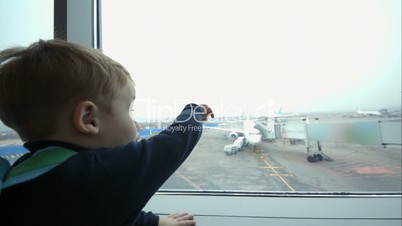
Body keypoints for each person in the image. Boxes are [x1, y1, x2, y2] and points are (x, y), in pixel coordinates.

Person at [0, 39, 214, 226]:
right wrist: (195, 111)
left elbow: (99, 211)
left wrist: (157, 221)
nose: (136, 124)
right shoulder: (94, 172)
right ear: (88, 119)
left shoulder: (19, 176)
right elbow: (174, 144)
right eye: (128, 110)